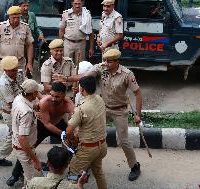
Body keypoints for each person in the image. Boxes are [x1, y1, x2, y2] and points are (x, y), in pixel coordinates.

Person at [53, 49, 142, 181]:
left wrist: (138, 115)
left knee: (124, 141)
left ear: (117, 61)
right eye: (105, 60)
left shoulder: (127, 74)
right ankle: (86, 160)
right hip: (103, 107)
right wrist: (68, 79)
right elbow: (85, 77)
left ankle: (134, 166)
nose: (106, 63)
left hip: (120, 110)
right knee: (86, 131)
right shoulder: (101, 68)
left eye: (109, 61)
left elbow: (138, 94)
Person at [7, 82, 74, 187]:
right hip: (42, 126)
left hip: (58, 124)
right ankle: (16, 174)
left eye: (57, 96)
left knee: (71, 146)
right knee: (27, 151)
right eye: (51, 95)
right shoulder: (44, 102)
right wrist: (64, 134)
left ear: (64, 95)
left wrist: (71, 134)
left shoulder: (69, 104)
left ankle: (68, 171)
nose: (53, 98)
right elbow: (47, 124)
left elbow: (74, 120)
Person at [67, 76, 107, 189]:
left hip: (88, 148)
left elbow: (69, 130)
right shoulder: (100, 100)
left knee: (73, 176)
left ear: (81, 89)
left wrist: (73, 139)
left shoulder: (81, 108)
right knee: (98, 172)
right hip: (102, 146)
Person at [0, 56, 26, 166]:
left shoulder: (19, 73)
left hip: (21, 106)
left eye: (16, 69)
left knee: (18, 134)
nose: (16, 72)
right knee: (14, 136)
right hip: (11, 113)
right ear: (5, 70)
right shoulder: (3, 83)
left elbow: (25, 87)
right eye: (13, 71)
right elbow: (13, 104)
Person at [11, 79, 44, 186]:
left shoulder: (19, 98)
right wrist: (36, 160)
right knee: (31, 180)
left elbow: (33, 104)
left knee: (27, 175)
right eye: (37, 92)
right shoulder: (27, 113)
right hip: (23, 149)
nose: (38, 94)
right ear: (34, 93)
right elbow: (22, 139)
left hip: (18, 144)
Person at [0, 6, 34, 75]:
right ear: (9, 16)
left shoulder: (25, 27)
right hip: (5, 62)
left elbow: (30, 45)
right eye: (13, 18)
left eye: (18, 17)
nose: (16, 20)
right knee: (5, 84)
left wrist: (29, 63)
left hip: (20, 63)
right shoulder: (0, 26)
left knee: (20, 84)